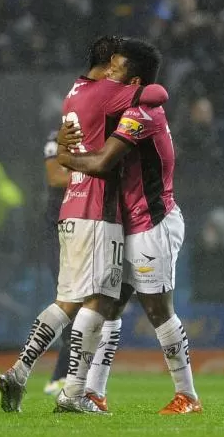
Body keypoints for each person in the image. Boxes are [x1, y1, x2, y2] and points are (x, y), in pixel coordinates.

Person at [0, 35, 169, 414]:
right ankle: (74, 393)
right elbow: (154, 93)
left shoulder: (74, 93)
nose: (117, 71)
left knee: (67, 300)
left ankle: (20, 370)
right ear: (107, 64)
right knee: (102, 300)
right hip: (98, 208)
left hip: (70, 209)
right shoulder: (108, 92)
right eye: (117, 64)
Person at [55, 38, 201, 414]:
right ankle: (93, 393)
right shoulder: (133, 104)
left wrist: (65, 157)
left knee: (157, 310)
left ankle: (188, 395)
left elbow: (103, 162)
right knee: (111, 306)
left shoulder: (142, 113)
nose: (108, 74)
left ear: (132, 81)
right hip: (128, 223)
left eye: (116, 70)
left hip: (152, 223)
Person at [40, 130, 73, 396]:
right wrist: (93, 174)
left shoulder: (97, 136)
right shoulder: (58, 136)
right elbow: (55, 177)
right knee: (67, 298)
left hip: (86, 227)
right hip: (59, 230)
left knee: (85, 300)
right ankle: (61, 375)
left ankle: (66, 375)